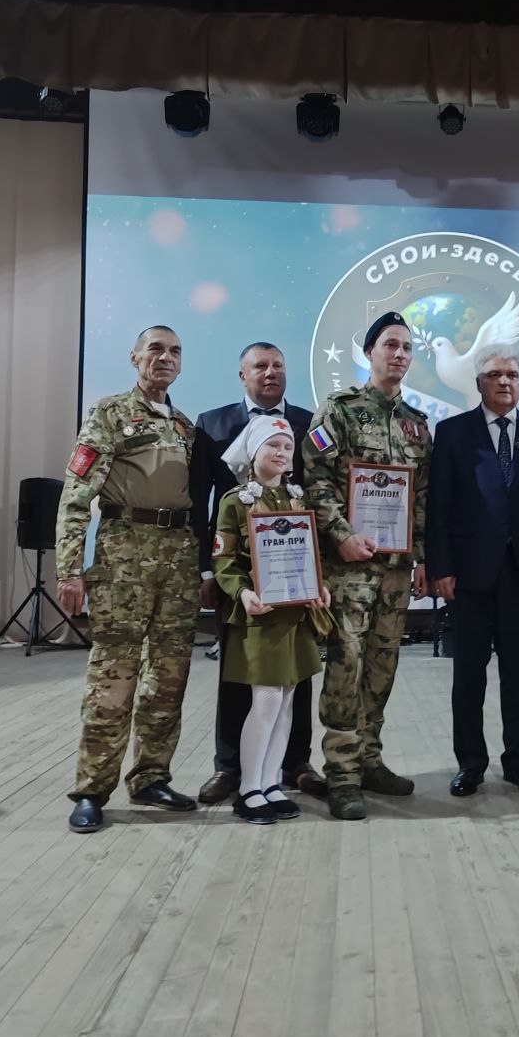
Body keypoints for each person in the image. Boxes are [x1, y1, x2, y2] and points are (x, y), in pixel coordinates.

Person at [57, 326, 201, 833]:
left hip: (179, 556)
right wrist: (69, 569)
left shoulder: (185, 426)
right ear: (135, 357)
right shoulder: (110, 412)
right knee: (114, 675)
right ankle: (93, 788)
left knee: (169, 676)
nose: (165, 357)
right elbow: (77, 493)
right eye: (156, 349)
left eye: (175, 351)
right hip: (124, 553)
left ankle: (151, 777)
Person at [302, 311, 430, 820]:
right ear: (370, 352)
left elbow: (421, 498)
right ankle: (341, 773)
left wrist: (420, 557)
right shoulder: (338, 410)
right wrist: (342, 535)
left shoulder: (417, 424)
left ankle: (369, 757)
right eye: (390, 345)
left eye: (406, 347)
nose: (399, 354)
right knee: (347, 663)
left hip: (397, 570)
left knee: (382, 664)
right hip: (351, 568)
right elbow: (316, 479)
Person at [191, 342, 326, 804]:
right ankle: (233, 768)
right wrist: (208, 572)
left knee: (293, 683)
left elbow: (315, 506)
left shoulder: (311, 425)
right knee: (241, 675)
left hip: (295, 584)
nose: (270, 373)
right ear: (242, 373)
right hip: (243, 580)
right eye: (260, 366)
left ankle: (293, 764)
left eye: (278, 366)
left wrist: (316, 582)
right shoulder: (211, 424)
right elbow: (198, 503)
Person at [427, 345, 519, 797]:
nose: (505, 382)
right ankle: (471, 764)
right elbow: (439, 505)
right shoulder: (451, 433)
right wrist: (440, 566)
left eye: (512, 375)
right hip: (467, 575)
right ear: (478, 382)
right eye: (495, 375)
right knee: (469, 676)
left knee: (518, 675)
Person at [211, 416, 331, 824]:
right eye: (272, 446)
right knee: (264, 701)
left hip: (297, 614)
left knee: (287, 704)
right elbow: (224, 559)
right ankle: (248, 789)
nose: (281, 453)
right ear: (254, 452)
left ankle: (271, 783)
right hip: (260, 617)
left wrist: (320, 584)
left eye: (286, 447)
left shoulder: (297, 499)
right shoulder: (235, 501)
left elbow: (309, 552)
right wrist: (242, 592)